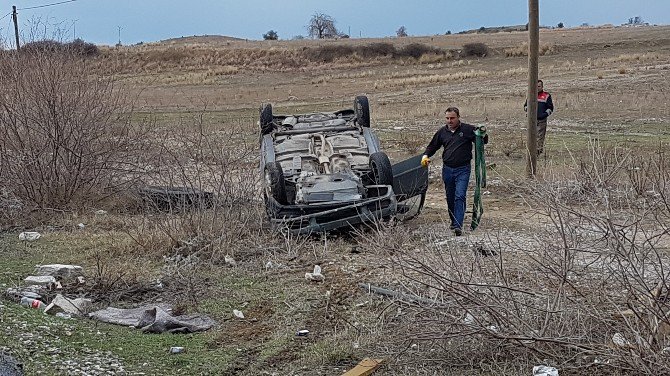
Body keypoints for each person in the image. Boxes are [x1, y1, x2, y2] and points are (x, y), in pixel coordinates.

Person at [421, 107, 488, 236]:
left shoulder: (468, 130)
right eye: (447, 118)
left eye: (452, 118)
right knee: (450, 197)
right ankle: (453, 221)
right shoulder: (442, 132)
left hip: (463, 169)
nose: (450, 121)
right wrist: (425, 156)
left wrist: (482, 133)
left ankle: (458, 225)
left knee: (460, 195)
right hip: (447, 169)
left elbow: (482, 141)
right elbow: (433, 146)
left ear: (458, 117)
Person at [524, 79, 554, 155]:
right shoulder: (531, 95)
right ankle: (530, 152)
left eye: (539, 86)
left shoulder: (547, 96)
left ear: (542, 86)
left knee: (540, 137)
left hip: (541, 120)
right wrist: (529, 112)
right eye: (536, 86)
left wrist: (543, 115)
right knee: (531, 136)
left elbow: (550, 108)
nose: (537, 88)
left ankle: (538, 152)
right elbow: (525, 106)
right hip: (531, 120)